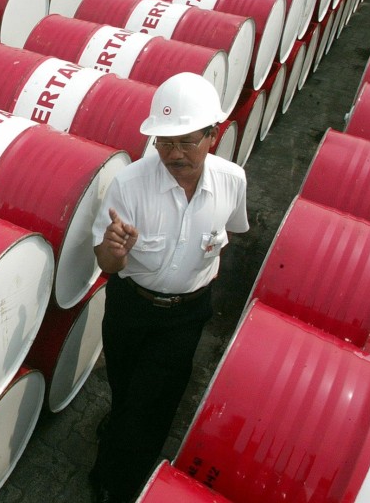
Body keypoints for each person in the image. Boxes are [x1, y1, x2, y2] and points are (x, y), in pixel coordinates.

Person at [89, 72, 249, 503]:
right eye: (164, 142)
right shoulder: (129, 185)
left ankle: (116, 483)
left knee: (154, 404)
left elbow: (230, 234)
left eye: (186, 141)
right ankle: (119, 435)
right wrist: (114, 250)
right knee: (125, 388)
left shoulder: (232, 182)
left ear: (213, 136)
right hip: (130, 307)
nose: (174, 154)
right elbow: (105, 265)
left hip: (186, 314)